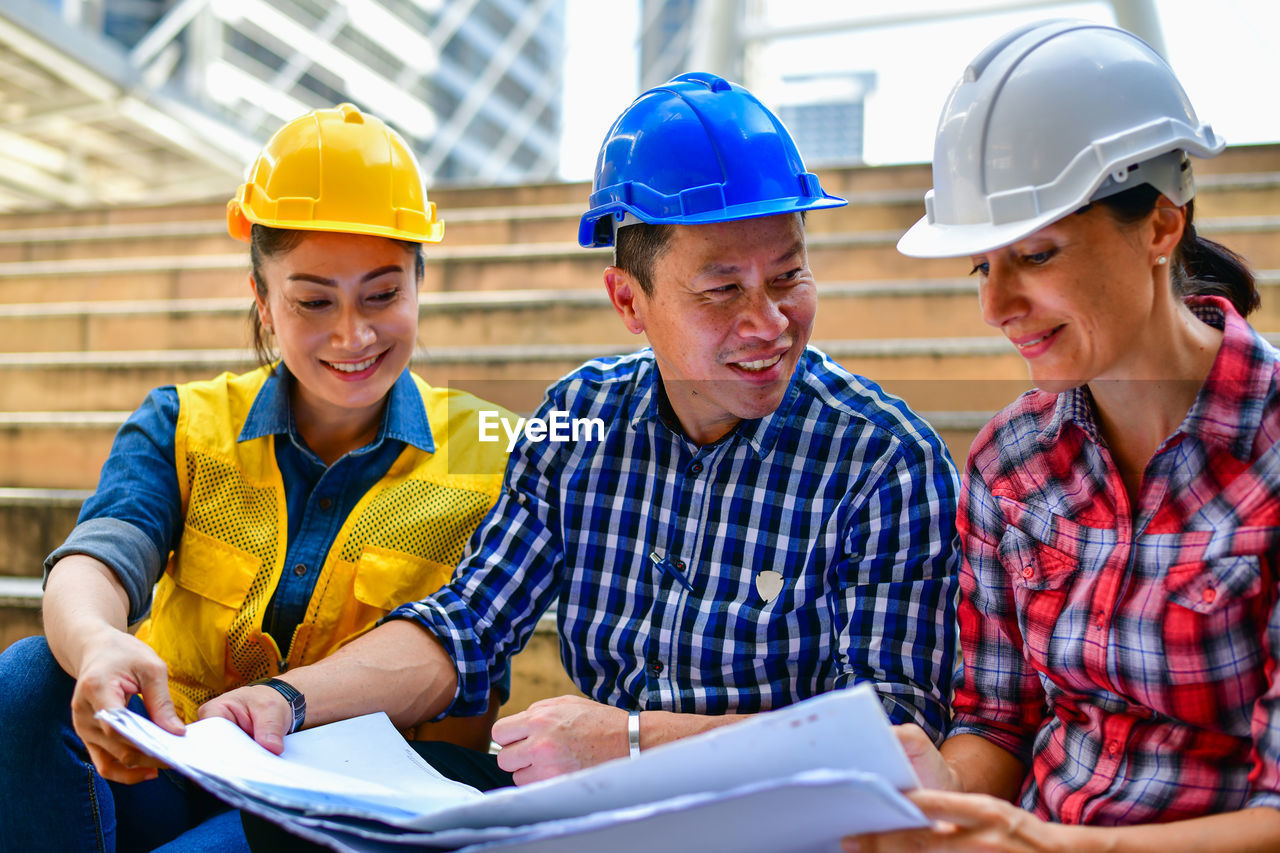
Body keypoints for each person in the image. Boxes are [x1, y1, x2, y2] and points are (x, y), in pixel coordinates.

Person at [214, 72, 960, 847]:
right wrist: (285, 700)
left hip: (777, 828)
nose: (768, 322)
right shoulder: (581, 419)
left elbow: (888, 739)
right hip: (591, 817)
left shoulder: (883, 461)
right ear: (628, 300)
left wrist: (632, 741)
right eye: (721, 289)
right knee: (305, 817)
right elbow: (467, 623)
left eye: (788, 276)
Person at [0, 103, 513, 852]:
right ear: (263, 300)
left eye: (383, 293)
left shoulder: (494, 453)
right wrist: (97, 642)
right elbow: (103, 550)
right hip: (179, 763)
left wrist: (285, 704)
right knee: (31, 675)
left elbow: (460, 649)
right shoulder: (186, 423)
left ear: (419, 282)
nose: (353, 334)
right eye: (312, 301)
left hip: (353, 800)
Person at [845, 20, 1280, 853]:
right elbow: (999, 722)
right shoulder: (1010, 464)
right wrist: (941, 792)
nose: (995, 306)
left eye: (1036, 255)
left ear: (1160, 226)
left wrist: (1055, 847)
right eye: (983, 266)